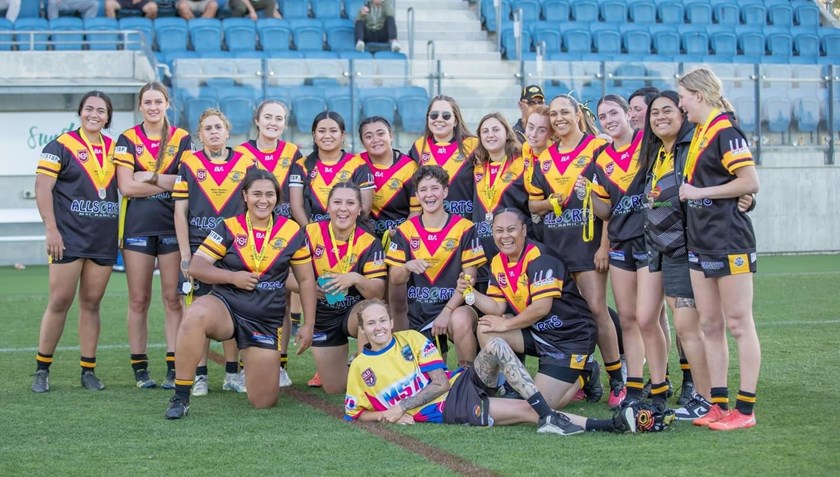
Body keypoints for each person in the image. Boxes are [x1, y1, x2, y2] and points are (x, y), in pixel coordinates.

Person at [345, 299, 663, 436]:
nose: (378, 327)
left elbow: (440, 382)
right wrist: (385, 415)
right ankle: (609, 424)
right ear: (362, 330)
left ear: (391, 321)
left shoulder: (412, 338)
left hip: (457, 385)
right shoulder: (360, 368)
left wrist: (400, 407)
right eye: (371, 323)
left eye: (382, 320)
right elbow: (355, 414)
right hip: (450, 409)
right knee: (528, 410)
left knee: (496, 345)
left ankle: (550, 416)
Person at [164, 168, 317, 419]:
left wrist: (309, 324)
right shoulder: (229, 227)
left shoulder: (291, 231)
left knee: (264, 401)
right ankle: (181, 396)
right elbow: (197, 266)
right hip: (227, 308)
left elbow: (306, 279)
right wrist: (232, 277)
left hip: (264, 320)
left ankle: (252, 365)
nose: (263, 200)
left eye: (269, 194)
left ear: (277, 198)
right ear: (245, 196)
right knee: (196, 314)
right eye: (257, 194)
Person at [527, 94, 626, 408]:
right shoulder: (545, 157)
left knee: (596, 310)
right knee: (568, 315)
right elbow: (533, 204)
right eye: (554, 114)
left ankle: (618, 379)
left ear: (577, 115)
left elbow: (609, 201)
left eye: (564, 112)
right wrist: (550, 202)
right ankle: (583, 373)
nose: (559, 118)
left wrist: (604, 246)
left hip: (587, 247)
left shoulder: (598, 147)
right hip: (555, 248)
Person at [677, 66, 761, 430]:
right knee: (710, 324)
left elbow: (750, 182)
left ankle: (745, 410)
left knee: (739, 324)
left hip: (729, 241)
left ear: (698, 95)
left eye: (682, 97)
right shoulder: (700, 131)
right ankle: (718, 404)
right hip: (701, 241)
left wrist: (701, 192)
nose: (680, 105)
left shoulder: (725, 130)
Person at [578, 94, 669, 410]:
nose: (608, 120)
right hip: (620, 243)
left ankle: (660, 386)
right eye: (603, 116)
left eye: (613, 113)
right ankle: (634, 387)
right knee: (628, 319)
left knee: (647, 319)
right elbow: (606, 211)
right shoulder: (601, 158)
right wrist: (589, 196)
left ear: (628, 114)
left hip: (649, 239)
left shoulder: (649, 143)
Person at [462, 209, 596, 410]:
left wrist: (506, 324)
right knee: (486, 328)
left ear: (524, 230)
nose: (505, 236)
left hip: (569, 337)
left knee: (543, 406)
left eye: (511, 229)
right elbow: (497, 307)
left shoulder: (541, 258)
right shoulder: (498, 261)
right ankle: (507, 387)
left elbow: (541, 308)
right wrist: (469, 292)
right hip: (537, 332)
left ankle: (587, 373)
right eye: (499, 230)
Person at [31, 91, 118, 393]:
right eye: (89, 109)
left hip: (103, 238)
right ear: (80, 112)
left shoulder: (117, 148)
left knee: (91, 303)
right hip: (68, 237)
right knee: (59, 301)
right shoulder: (60, 145)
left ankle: (88, 370)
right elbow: (42, 187)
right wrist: (51, 229)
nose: (94, 114)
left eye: (101, 110)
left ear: (108, 117)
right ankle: (42, 369)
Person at [114, 82, 192, 390]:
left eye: (158, 101)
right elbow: (126, 187)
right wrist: (166, 182)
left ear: (167, 104)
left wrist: (150, 176)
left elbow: (186, 182)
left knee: (173, 298)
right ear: (140, 106)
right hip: (137, 227)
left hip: (172, 227)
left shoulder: (182, 138)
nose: (153, 107)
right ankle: (140, 368)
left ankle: (174, 366)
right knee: (138, 300)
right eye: (147, 102)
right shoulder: (127, 139)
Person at [639, 90, 712, 420]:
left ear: (682, 114)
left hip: (684, 249)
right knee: (649, 319)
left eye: (667, 110)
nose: (660, 117)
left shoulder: (691, 148)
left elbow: (719, 179)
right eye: (654, 113)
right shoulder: (656, 154)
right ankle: (665, 390)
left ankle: (706, 398)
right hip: (659, 248)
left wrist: (746, 199)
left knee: (687, 326)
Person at [173, 109, 252, 396]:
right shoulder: (189, 164)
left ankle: (232, 374)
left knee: (235, 309)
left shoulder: (246, 163)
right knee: (197, 311)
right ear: (200, 135)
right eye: (208, 128)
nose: (214, 132)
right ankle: (200, 376)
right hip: (199, 250)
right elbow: (180, 213)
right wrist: (185, 255)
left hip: (234, 248)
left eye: (219, 127)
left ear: (228, 132)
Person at [234, 99, 305, 387]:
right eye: (268, 117)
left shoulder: (293, 152)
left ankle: (280, 364)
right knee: (247, 302)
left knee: (282, 303)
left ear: (284, 124)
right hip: (251, 236)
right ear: (257, 120)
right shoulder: (241, 153)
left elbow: (298, 197)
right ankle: (243, 368)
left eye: (278, 118)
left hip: (282, 237)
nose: (273, 123)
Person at [385, 165, 486, 367]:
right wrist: (407, 267)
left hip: (457, 307)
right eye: (423, 189)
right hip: (420, 312)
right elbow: (395, 278)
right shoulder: (405, 230)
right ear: (417, 195)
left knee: (460, 320)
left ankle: (468, 377)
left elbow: (470, 279)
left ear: (445, 191)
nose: (429, 194)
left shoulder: (464, 228)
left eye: (435, 188)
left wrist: (447, 311)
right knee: (432, 378)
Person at [304, 182, 386, 394]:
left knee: (370, 311)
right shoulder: (309, 233)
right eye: (337, 202)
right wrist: (309, 288)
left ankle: (369, 379)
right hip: (322, 316)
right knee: (335, 389)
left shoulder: (369, 242)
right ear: (328, 206)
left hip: (352, 312)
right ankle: (350, 368)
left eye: (350, 203)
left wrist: (355, 278)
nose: (343, 208)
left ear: (359, 209)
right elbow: (286, 277)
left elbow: (378, 292)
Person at [471, 113, 532, 270]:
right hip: (483, 253)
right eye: (485, 131)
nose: (490, 135)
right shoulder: (477, 167)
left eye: (496, 130)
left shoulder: (523, 164)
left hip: (516, 250)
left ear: (507, 134)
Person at [291, 111, 374, 224]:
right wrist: (311, 231)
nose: (327, 136)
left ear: (342, 135)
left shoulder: (359, 165)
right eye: (321, 131)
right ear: (314, 135)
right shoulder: (301, 165)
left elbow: (364, 208)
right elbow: (296, 207)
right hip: (312, 231)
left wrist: (341, 230)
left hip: (348, 230)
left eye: (333, 131)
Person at [408, 95, 478, 218]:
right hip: (431, 224)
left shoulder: (473, 145)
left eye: (446, 116)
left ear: (455, 120)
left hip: (466, 223)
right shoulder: (419, 147)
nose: (439, 119)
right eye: (434, 115)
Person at [357, 116, 419, 239]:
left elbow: (416, 212)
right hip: (364, 237)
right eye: (369, 136)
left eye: (381, 134)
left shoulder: (409, 167)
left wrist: (400, 235)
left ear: (391, 136)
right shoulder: (355, 163)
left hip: (399, 237)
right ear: (363, 142)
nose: (375, 140)